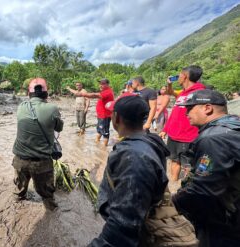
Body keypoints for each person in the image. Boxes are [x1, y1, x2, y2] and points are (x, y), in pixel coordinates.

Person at [90, 95, 169, 246]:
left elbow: (125, 222)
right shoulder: (147, 141)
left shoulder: (133, 156)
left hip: (139, 234)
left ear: (116, 118)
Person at [172, 89, 240, 247]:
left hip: (227, 223)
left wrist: (173, 203)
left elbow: (203, 189)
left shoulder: (214, 138)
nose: (186, 113)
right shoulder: (233, 125)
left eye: (190, 108)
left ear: (207, 108)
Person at [12, 78, 63, 211]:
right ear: (46, 94)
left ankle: (19, 201)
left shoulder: (21, 106)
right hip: (41, 163)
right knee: (47, 193)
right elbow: (59, 128)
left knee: (20, 188)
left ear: (29, 94)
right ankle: (51, 212)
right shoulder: (52, 108)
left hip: (19, 160)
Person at [159, 65, 206, 181]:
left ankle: (186, 191)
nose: (178, 77)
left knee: (188, 166)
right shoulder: (183, 93)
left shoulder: (200, 93)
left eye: (179, 75)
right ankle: (174, 186)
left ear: (185, 76)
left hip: (188, 137)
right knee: (174, 160)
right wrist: (165, 129)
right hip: (174, 135)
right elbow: (174, 110)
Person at [67, 78, 114, 146]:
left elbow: (94, 95)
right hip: (101, 116)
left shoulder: (107, 92)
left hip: (104, 116)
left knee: (105, 133)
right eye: (100, 84)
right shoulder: (104, 91)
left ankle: (104, 149)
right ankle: (97, 144)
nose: (100, 85)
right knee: (99, 130)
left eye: (102, 84)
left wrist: (83, 95)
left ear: (107, 84)